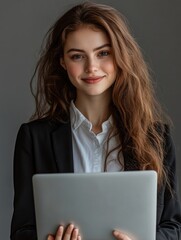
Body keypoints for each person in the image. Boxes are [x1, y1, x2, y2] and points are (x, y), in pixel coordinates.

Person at [11, 1, 181, 240]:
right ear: (63, 62)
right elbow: (21, 230)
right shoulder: (34, 138)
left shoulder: (156, 138)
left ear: (121, 55)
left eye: (103, 53)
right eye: (77, 56)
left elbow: (172, 226)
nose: (92, 67)